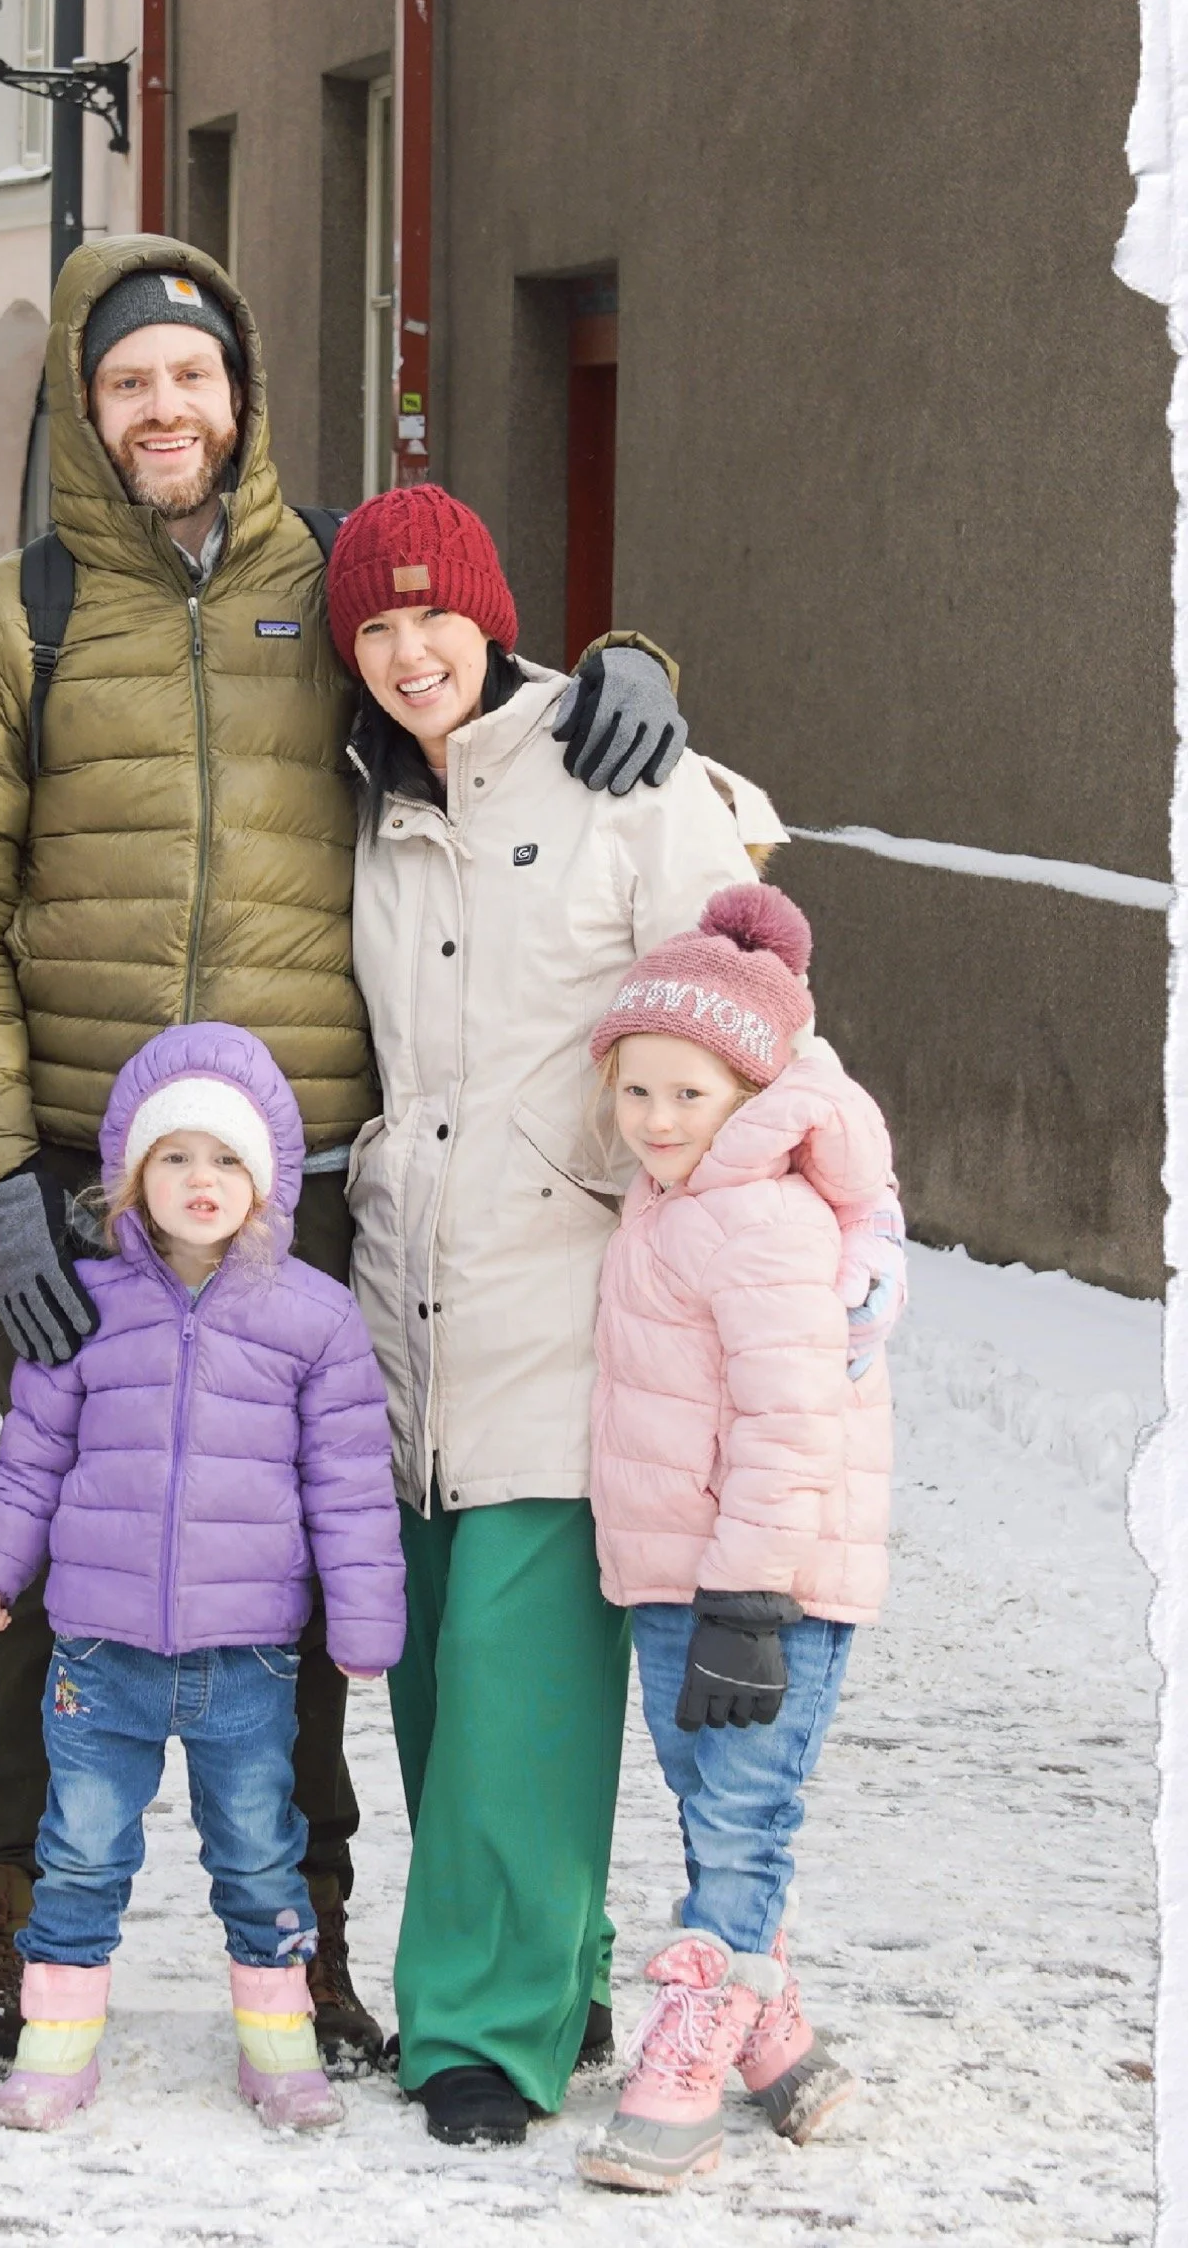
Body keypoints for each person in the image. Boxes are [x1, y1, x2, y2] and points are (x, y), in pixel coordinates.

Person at [0, 234, 689, 2073]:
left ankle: (306, 1935)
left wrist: (628, 664)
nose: (162, 409)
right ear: (85, 414)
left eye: (190, 377)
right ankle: (11, 1922)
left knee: (311, 1567)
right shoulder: (8, 623)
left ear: (237, 392)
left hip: (304, 1187)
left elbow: (467, 688)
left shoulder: (326, 587)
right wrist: (3, 1185)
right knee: (44, 1572)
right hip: (87, 1195)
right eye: (125, 384)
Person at [331, 483, 780, 2148]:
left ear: (491, 614)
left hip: (574, 1292)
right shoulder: (371, 798)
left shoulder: (615, 771)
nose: (408, 653)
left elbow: (749, 985)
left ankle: (480, 2036)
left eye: (433, 616)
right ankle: (563, 1966)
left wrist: (677, 1177)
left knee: (521, 1686)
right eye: (373, 629)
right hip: (411, 1299)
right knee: (449, 1691)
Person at [0, 1024, 405, 2133]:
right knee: (81, 1854)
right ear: (131, 1179)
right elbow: (33, 1459)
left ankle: (280, 2047)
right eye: (173, 1158)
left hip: (244, 1662)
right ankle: (58, 2051)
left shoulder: (315, 1318)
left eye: (226, 1160)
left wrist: (363, 1618)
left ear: (269, 1181)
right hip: (99, 1659)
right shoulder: (87, 1309)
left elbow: (348, 1487)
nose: (200, 1182)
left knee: (259, 1855)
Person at [576, 884, 893, 2193]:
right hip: (679, 1575)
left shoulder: (759, 1215)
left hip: (765, 1588)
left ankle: (686, 2071)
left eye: (687, 1095)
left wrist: (753, 1600)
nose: (655, 1120)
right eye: (636, 1091)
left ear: (747, 1095)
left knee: (746, 1825)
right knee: (716, 1815)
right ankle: (784, 2046)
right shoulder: (678, 1196)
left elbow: (788, 1417)